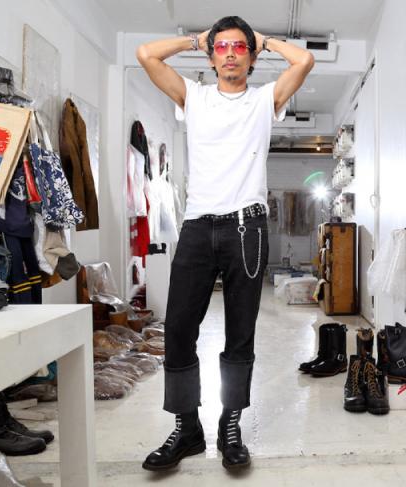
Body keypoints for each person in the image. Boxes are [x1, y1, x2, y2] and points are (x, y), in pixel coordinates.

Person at [136, 16, 314, 472]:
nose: (230, 53)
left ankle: (230, 425)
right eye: (221, 47)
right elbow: (146, 54)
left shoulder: (264, 100)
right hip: (197, 227)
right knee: (178, 330)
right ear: (211, 56)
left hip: (246, 229)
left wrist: (267, 40)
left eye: (239, 47)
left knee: (240, 334)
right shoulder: (192, 97)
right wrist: (194, 39)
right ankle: (187, 429)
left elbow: (304, 60)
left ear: (251, 57)